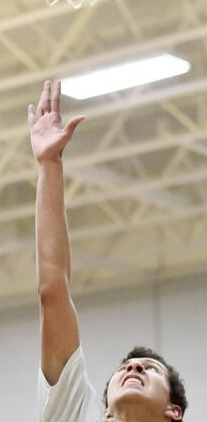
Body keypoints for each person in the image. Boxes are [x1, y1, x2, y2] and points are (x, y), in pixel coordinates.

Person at [31, 80, 188, 422]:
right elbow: (53, 290)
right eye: (129, 367)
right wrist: (49, 165)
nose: (133, 367)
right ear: (104, 411)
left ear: (173, 411)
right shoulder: (76, 412)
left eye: (150, 369)